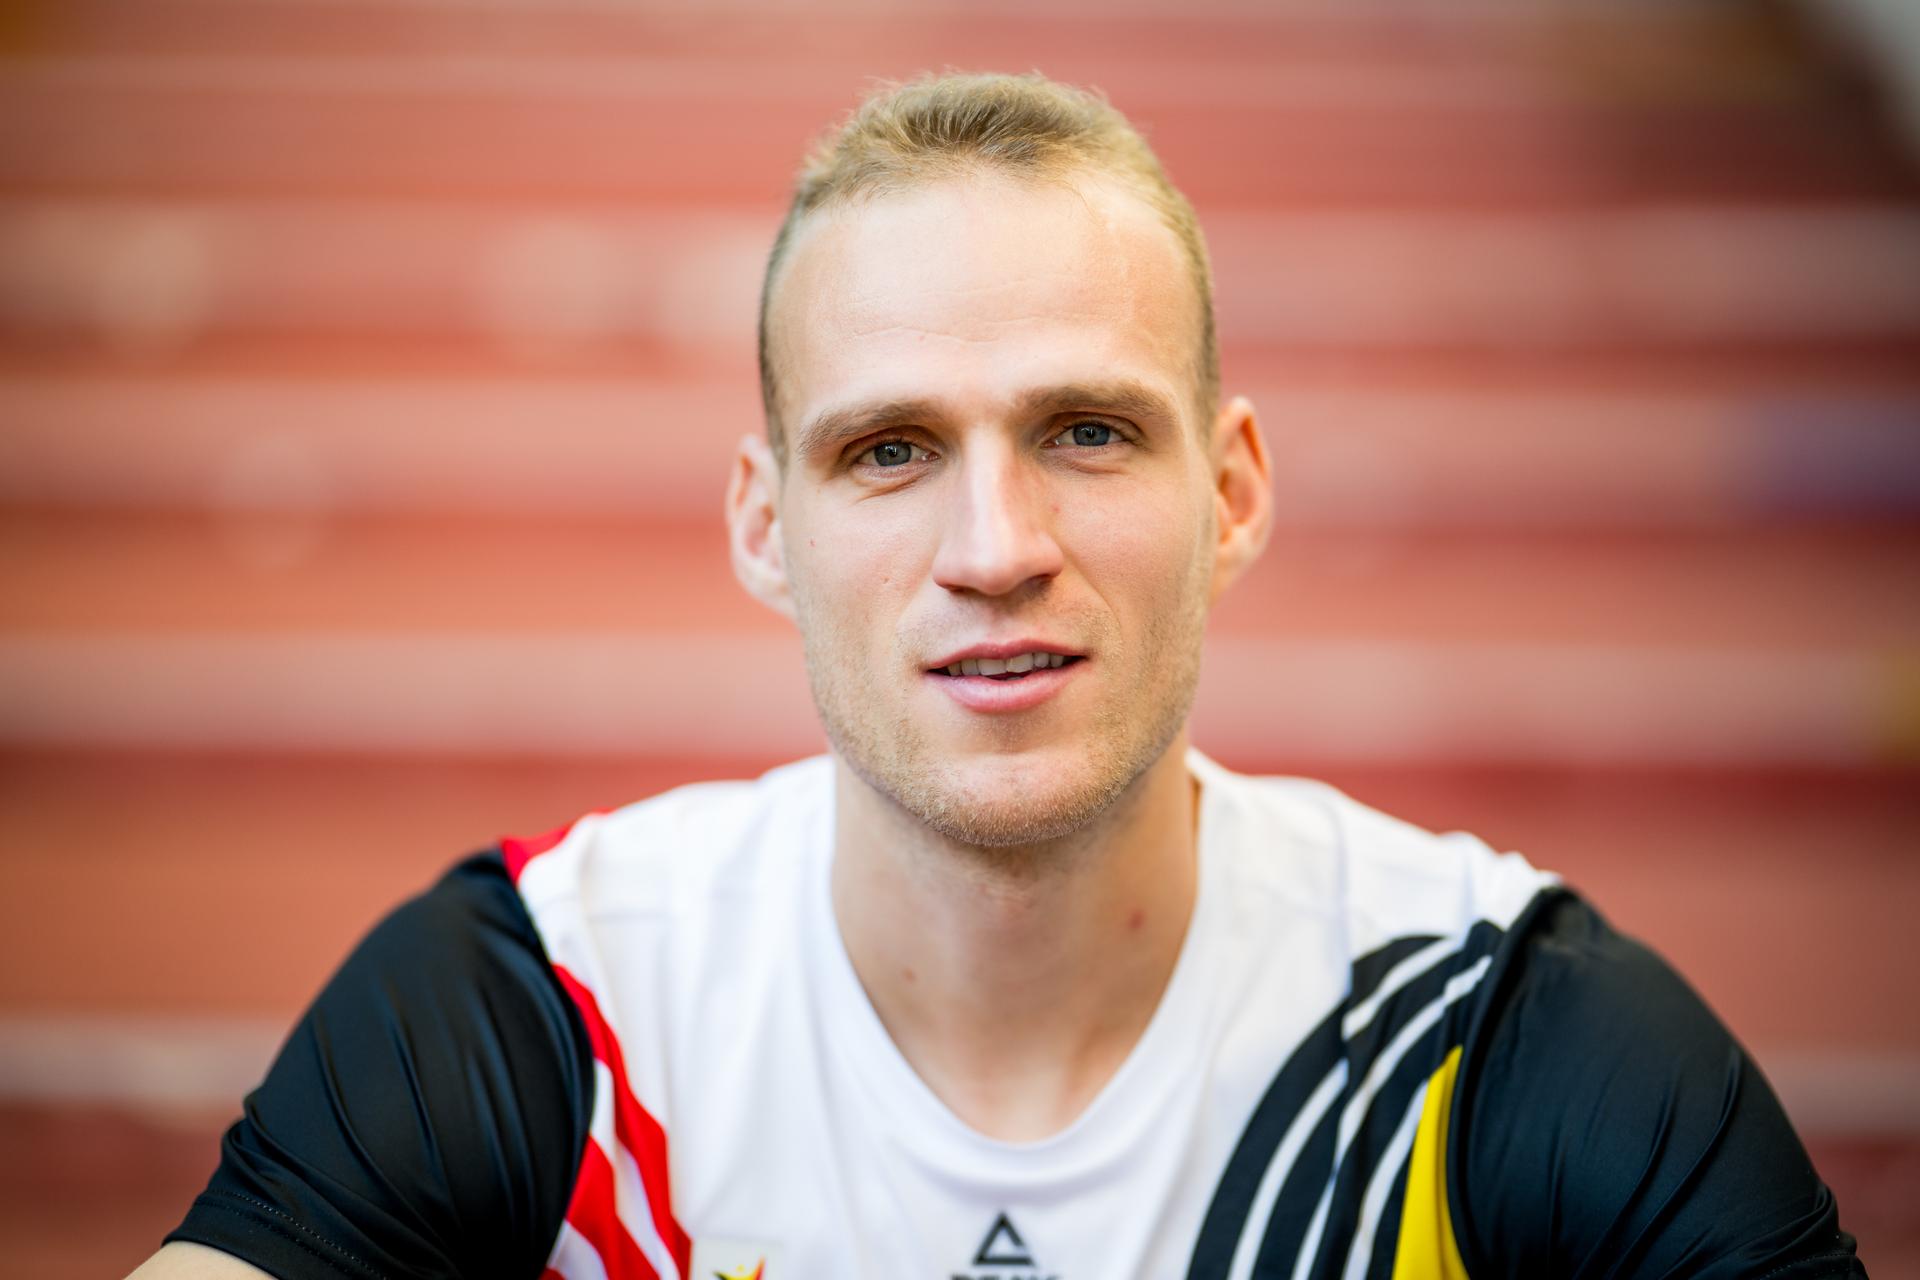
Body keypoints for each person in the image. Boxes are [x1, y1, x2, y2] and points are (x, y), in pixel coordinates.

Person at [133, 73, 1863, 1280]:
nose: (995, 544)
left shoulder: (1493, 1025)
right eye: (889, 451)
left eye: (1089, 431)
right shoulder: (555, 998)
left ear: (1236, 490)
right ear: (762, 524)